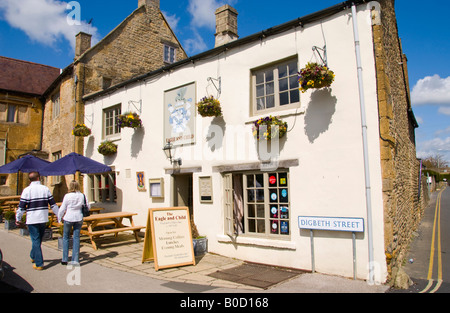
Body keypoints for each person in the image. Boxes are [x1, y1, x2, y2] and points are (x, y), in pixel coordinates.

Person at [16, 172, 59, 271]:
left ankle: (39, 263)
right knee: (38, 239)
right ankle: (33, 256)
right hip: (43, 218)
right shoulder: (45, 189)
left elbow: (21, 207)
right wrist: (58, 215)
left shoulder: (27, 190)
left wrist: (18, 218)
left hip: (32, 218)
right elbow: (53, 205)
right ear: (39, 178)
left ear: (29, 180)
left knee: (36, 239)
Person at [58, 180, 89, 266]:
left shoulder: (67, 196)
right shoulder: (82, 195)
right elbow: (88, 206)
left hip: (69, 217)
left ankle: (64, 259)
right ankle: (75, 260)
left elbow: (62, 208)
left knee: (66, 237)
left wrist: (59, 218)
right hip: (79, 217)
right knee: (76, 238)